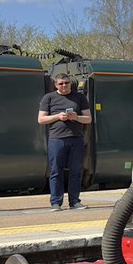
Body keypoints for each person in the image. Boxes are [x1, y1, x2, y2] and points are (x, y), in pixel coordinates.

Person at [37, 73, 91, 211]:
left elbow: (88, 119)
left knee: (76, 171)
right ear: (55, 85)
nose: (64, 86)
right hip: (57, 139)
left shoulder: (79, 97)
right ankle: (55, 202)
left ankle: (75, 202)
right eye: (61, 83)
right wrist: (58, 117)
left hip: (76, 139)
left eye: (66, 83)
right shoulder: (48, 98)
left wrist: (76, 117)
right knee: (56, 171)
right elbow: (41, 119)